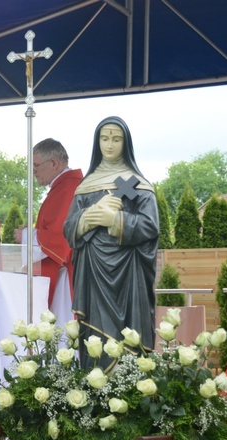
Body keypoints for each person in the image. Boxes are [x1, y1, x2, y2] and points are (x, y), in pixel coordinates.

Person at [63, 116, 159, 366]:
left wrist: (115, 219)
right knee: (95, 338)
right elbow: (69, 229)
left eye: (116, 139)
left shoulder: (137, 184)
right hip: (93, 274)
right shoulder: (86, 186)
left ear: (125, 143)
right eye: (104, 138)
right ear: (97, 143)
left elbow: (150, 226)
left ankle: (126, 385)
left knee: (127, 337)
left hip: (128, 275)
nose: (110, 144)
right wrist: (90, 217)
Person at [14, 138, 82, 319]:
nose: (33, 171)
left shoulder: (68, 188)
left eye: (36, 165)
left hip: (68, 275)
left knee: (65, 331)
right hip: (65, 271)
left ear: (53, 163)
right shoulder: (63, 187)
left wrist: (26, 235)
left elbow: (60, 237)